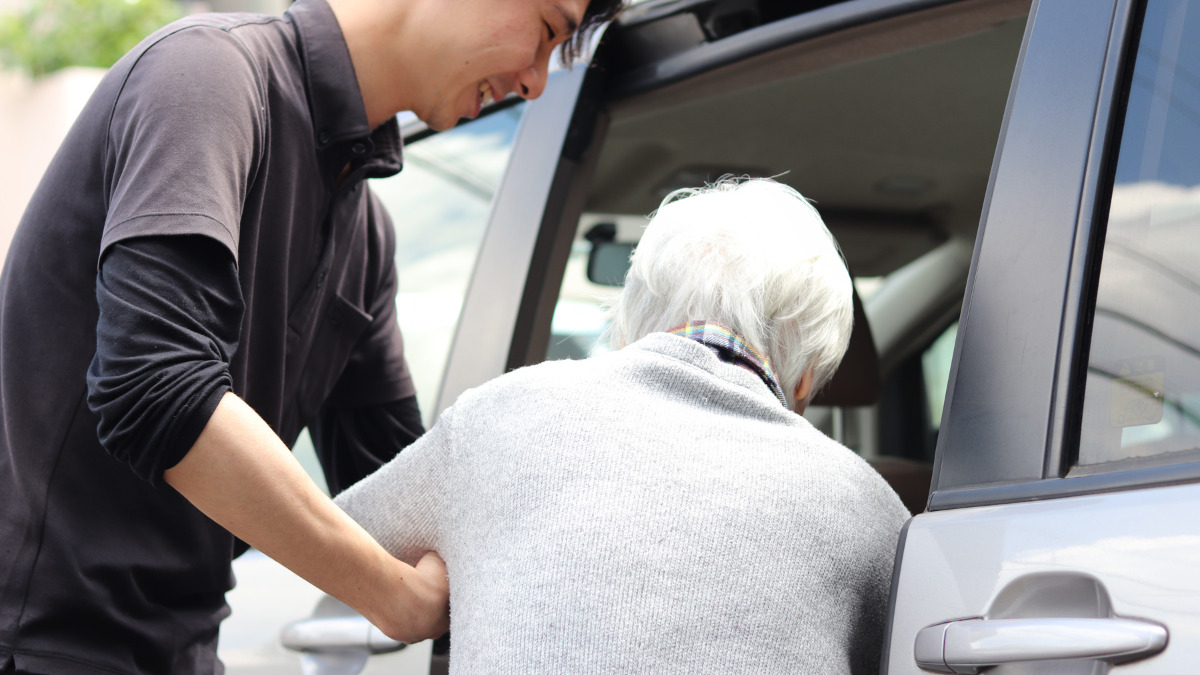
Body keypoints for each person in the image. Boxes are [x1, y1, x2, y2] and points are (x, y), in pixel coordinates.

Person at [0, 0, 623, 671]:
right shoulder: (206, 74)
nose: (536, 80)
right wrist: (392, 594)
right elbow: (152, 387)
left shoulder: (366, 235)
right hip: (40, 645)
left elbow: (397, 484)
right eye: (549, 30)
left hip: (179, 651)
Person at [335, 177, 912, 673]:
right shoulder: (872, 509)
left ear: (628, 324)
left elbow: (338, 538)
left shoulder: (501, 416)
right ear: (809, 377)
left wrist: (456, 551)